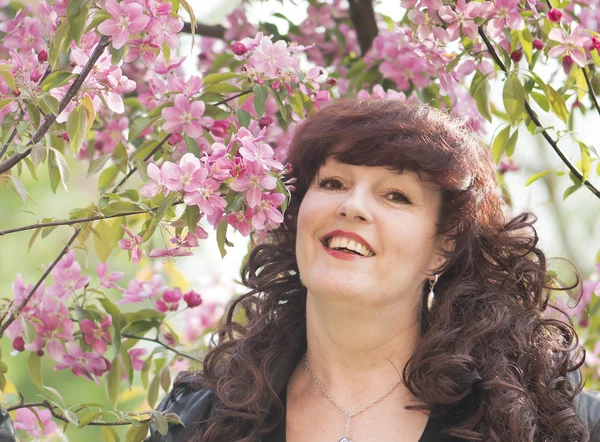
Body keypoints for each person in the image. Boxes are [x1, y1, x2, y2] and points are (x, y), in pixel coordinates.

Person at [145, 98, 600, 442]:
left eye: (396, 195)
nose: (352, 206)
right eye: (333, 182)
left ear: (443, 248)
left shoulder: (549, 423)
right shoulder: (196, 419)